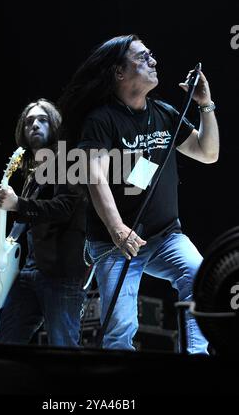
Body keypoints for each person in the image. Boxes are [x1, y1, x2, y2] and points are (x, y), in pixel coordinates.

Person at [58, 34, 219, 353]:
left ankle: (195, 360)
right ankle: (121, 386)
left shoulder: (165, 113)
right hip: (115, 242)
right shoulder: (102, 120)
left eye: (152, 56)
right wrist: (118, 229)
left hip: (165, 236)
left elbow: (207, 152)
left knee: (200, 278)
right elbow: (95, 176)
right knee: (120, 324)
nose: (154, 61)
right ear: (119, 72)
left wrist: (205, 105)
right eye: (143, 57)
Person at [0, 98, 87, 346]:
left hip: (61, 273)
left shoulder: (68, 159)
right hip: (29, 272)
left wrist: (18, 204)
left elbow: (65, 207)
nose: (34, 125)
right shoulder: (34, 174)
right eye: (29, 121)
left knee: (62, 347)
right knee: (5, 342)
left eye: (43, 120)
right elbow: (23, 226)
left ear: (54, 126)